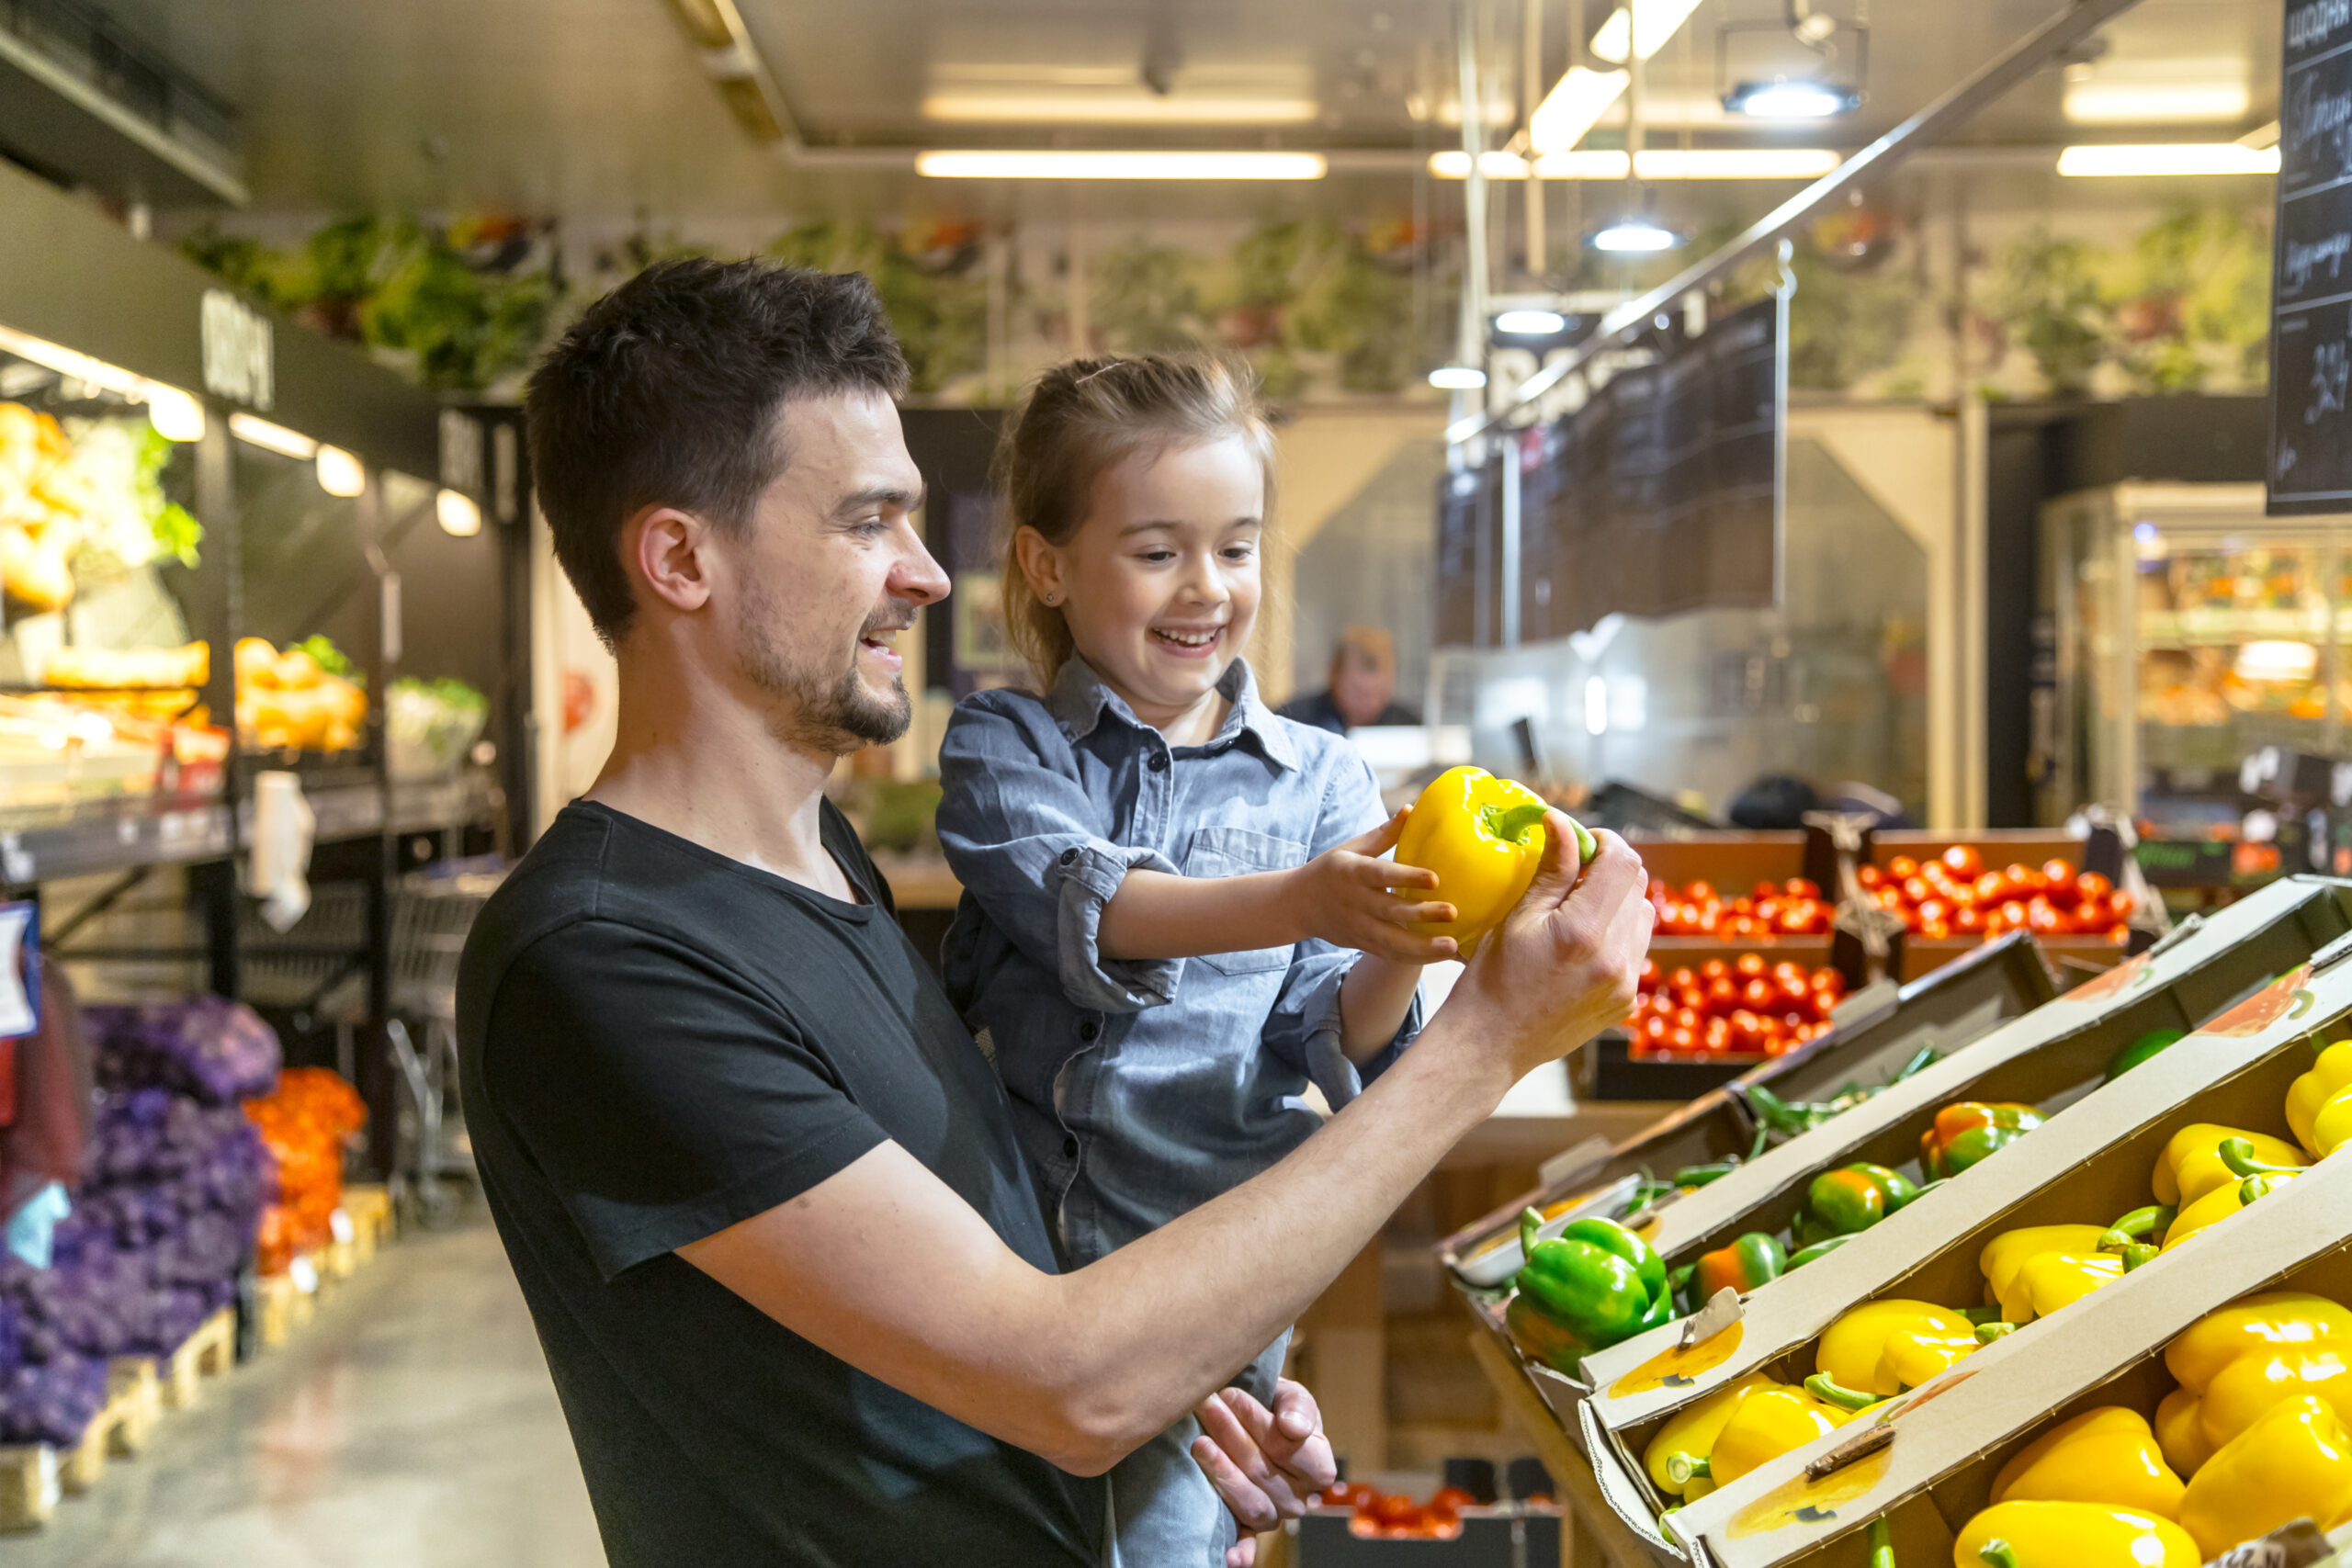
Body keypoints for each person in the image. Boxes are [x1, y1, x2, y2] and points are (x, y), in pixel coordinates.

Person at [456, 258, 1651, 1568]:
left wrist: (1188, 1390)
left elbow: (1002, 1292)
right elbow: (1067, 1382)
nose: (924, 574)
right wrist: (1485, 1041)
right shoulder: (607, 956)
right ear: (681, 556)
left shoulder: (820, 869)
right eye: (868, 522)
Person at [936, 355, 1450, 1564]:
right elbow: (1089, 904)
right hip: (1015, 1268)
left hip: (1219, 1276)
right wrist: (1307, 893)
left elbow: (1335, 1036)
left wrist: (1398, 932)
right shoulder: (1006, 745)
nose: (1207, 588)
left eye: (1238, 546)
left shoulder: (1321, 775)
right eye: (1159, 549)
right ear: (1047, 564)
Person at [1276, 626, 1419, 735]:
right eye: (1359, 693)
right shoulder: (1292, 722)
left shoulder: (1410, 728)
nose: (1370, 703)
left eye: (1380, 693)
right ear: (1334, 674)